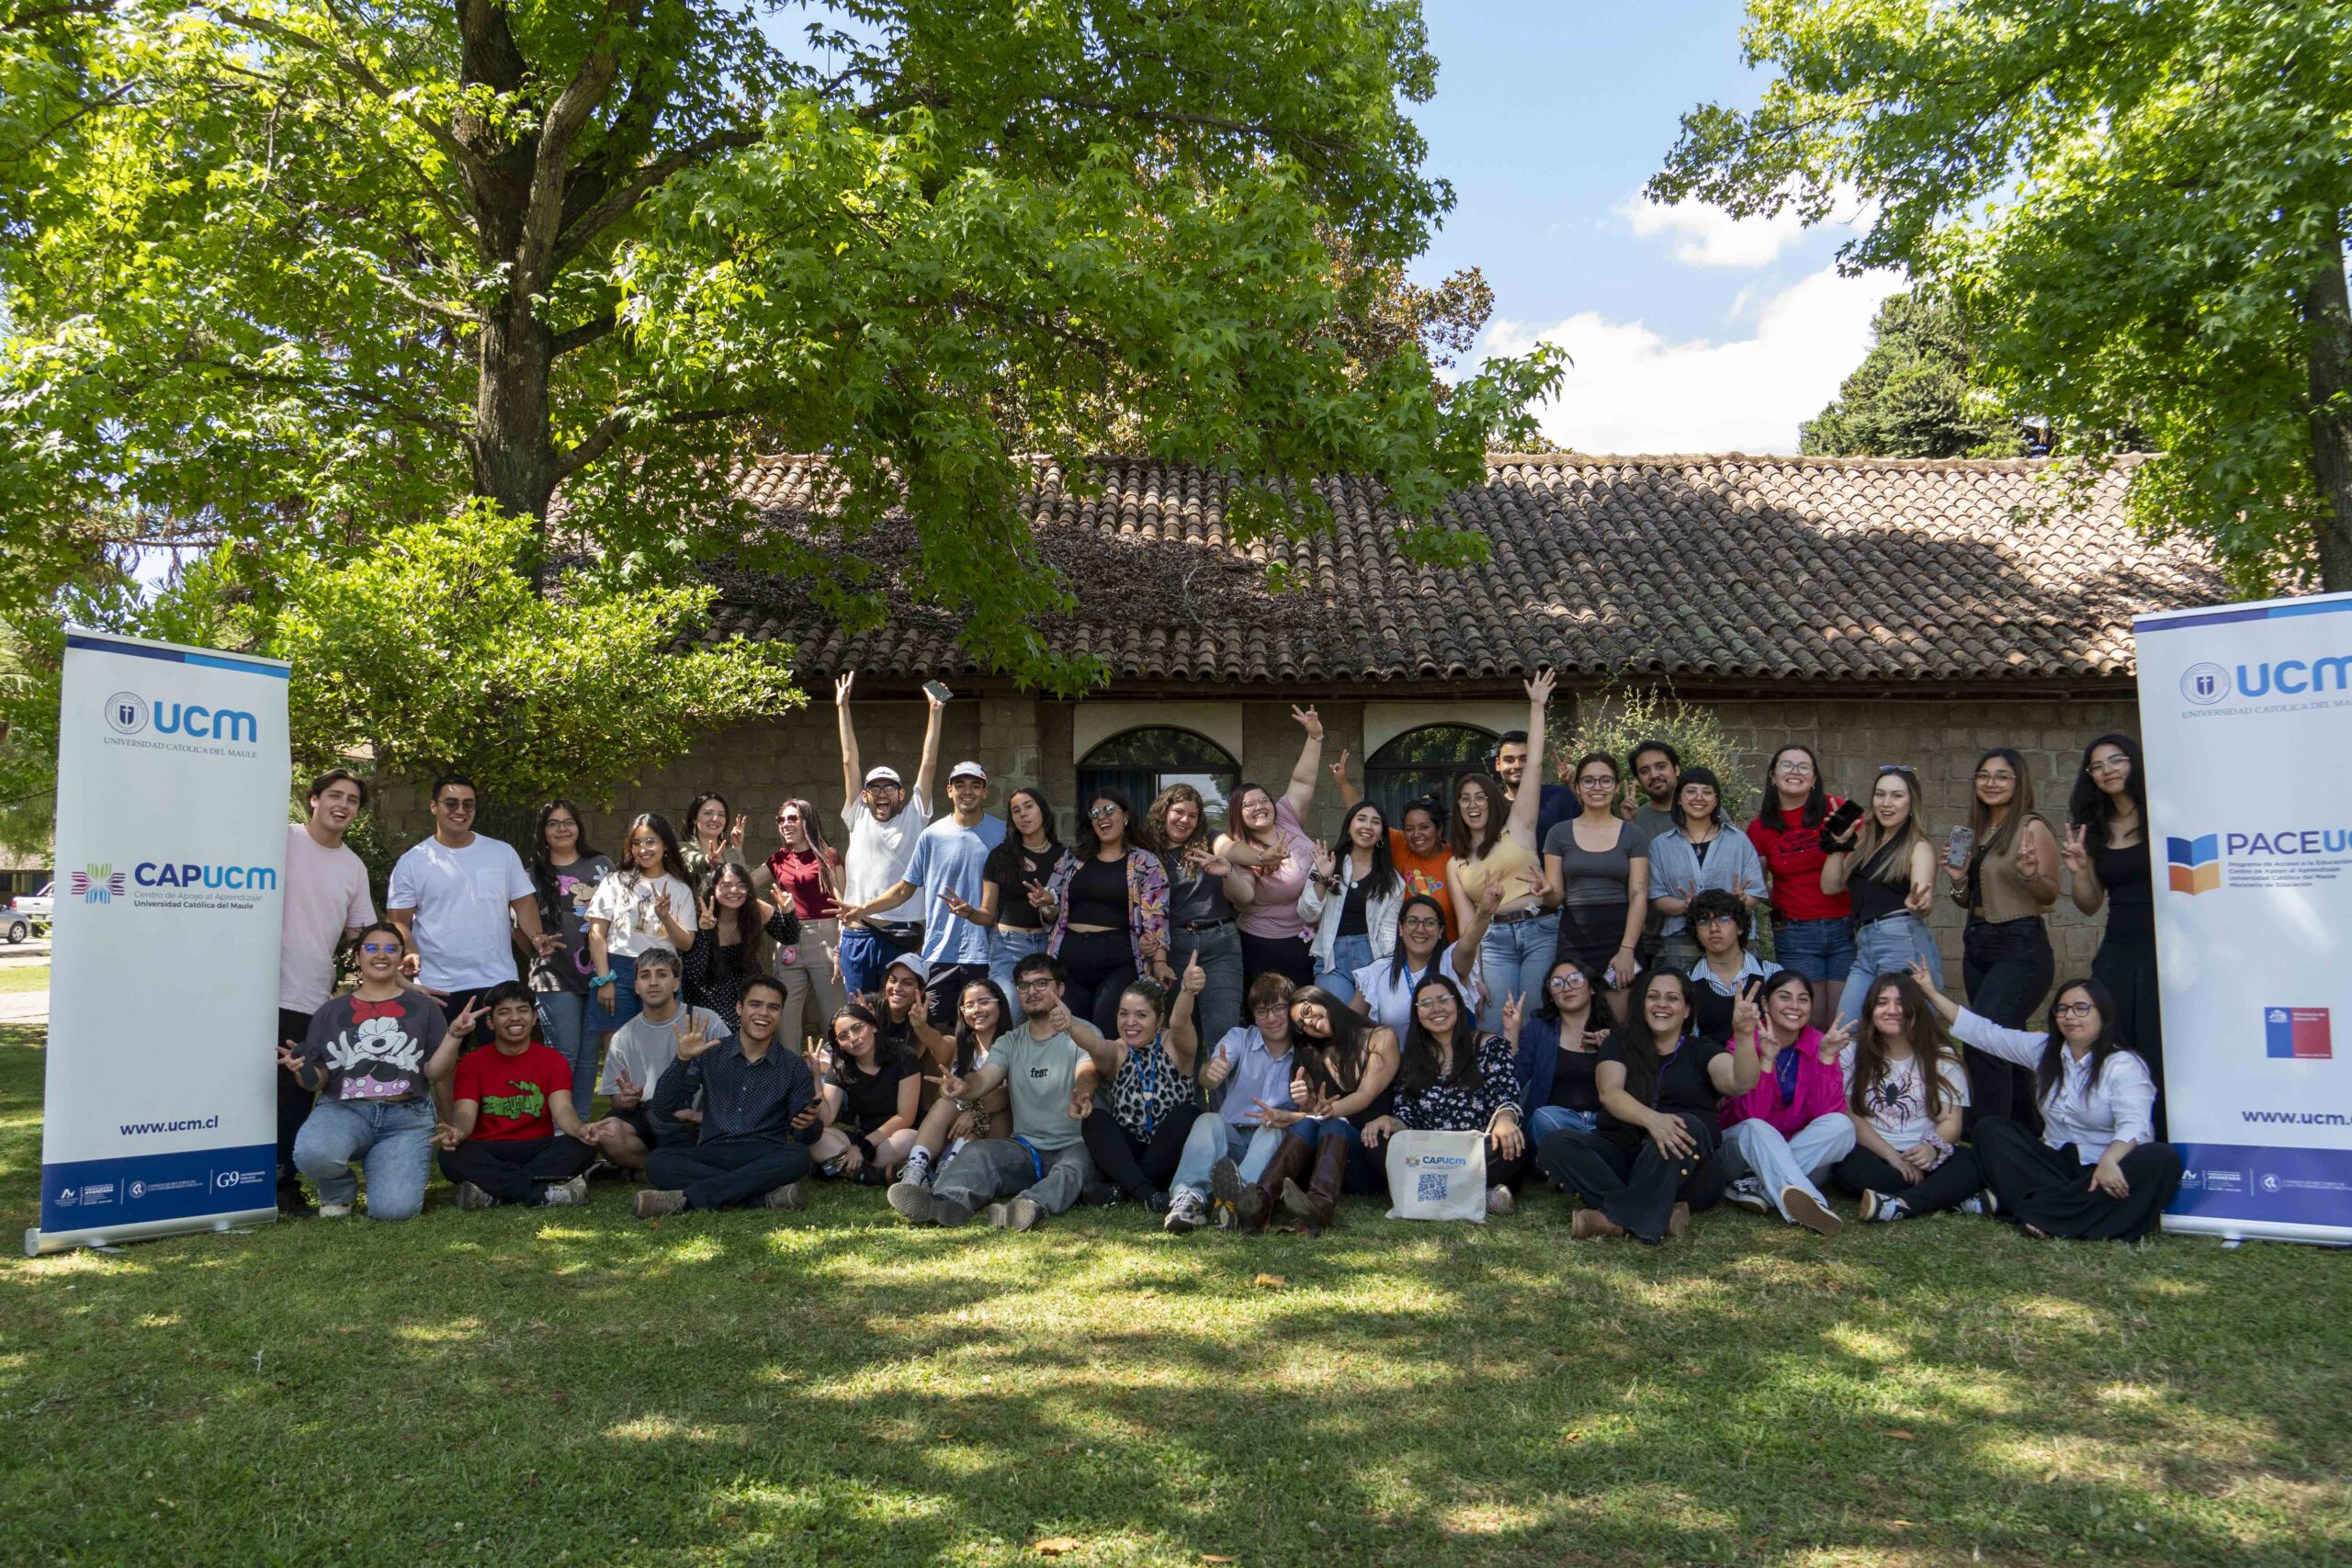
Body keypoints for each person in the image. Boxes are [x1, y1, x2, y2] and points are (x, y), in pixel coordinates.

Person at [1907, 961, 2180, 1240]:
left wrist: (2110, 1160)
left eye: (2081, 1008)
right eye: (2062, 1009)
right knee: (1990, 1129)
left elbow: (2134, 1124)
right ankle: (2070, 1212)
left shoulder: (2123, 1064)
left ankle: (2035, 1210)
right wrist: (1930, 993)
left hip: (2107, 1169)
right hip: (2055, 1167)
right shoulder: (2043, 1050)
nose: (2070, 1016)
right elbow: (1986, 1034)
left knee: (2161, 1158)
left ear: (2104, 1015)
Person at [1536, 968, 1762, 1243]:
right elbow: (1610, 1093)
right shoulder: (1619, 1044)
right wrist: (1653, 1120)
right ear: (1642, 1004)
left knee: (1685, 1125)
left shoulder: (1703, 1050)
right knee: (1555, 1143)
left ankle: (1614, 1219)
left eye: (1672, 998)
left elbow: (1741, 1082)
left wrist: (1744, 1035)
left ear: (1687, 1009)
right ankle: (1659, 1213)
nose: (1662, 1005)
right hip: (1625, 1154)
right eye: (1653, 996)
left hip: (1688, 1172)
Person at [890, 953, 1100, 1230]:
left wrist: (1081, 1093)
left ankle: (1027, 1207)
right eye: (1024, 986)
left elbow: (1088, 1070)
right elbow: (985, 1077)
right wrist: (964, 1087)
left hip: (1075, 1143)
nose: (1031, 992)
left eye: (1041, 984)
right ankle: (943, 1203)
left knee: (1072, 1170)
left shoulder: (1082, 1031)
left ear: (1060, 988)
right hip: (1026, 1149)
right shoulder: (1010, 1042)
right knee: (979, 1153)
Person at [280, 921, 461, 1221]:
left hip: (406, 1119)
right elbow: (317, 1081)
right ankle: (338, 1191)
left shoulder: (425, 1008)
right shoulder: (331, 1011)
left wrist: (454, 1038)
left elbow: (435, 1072)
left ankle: (384, 1162)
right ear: (358, 956)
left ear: (402, 957)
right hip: (343, 1111)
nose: (382, 955)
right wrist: (302, 1069)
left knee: (395, 1211)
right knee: (313, 1154)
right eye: (372, 947)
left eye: (392, 948)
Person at [385, 772, 554, 1055]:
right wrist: (410, 951)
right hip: (437, 985)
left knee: (503, 1060)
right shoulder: (413, 861)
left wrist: (536, 935)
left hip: (495, 980)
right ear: (433, 806)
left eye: (468, 804)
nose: (460, 811)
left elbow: (524, 903)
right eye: (451, 803)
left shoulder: (501, 852)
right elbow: (397, 921)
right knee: (441, 1066)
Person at [633, 975, 822, 1216]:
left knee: (798, 1156)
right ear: (739, 1008)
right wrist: (681, 1061)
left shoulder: (792, 1066)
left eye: (773, 1007)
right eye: (755, 1005)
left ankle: (689, 1199)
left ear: (780, 1014)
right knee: (657, 1162)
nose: (763, 1013)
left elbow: (804, 1134)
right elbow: (663, 1107)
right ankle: (762, 1197)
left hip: (763, 1152)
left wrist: (809, 1124)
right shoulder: (711, 1053)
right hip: (714, 1151)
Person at [275, 768, 377, 1215]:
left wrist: (399, 962)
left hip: (305, 992)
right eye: (334, 795)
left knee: (293, 1090)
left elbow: (361, 935)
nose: (343, 804)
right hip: (244, 989)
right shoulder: (279, 840)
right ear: (313, 799)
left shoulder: (353, 866)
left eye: (352, 800)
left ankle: (281, 1181)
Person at [1946, 747, 2062, 1126]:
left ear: (2019, 782)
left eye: (2001, 776)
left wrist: (2029, 873)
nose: (1991, 783)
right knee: (2006, 1044)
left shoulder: (2031, 827)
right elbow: (1966, 902)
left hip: (2020, 945)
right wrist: (1959, 880)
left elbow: (2049, 895)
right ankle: (2026, 1136)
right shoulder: (1978, 832)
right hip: (1977, 943)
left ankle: (1990, 1139)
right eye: (1983, 775)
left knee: (1983, 1042)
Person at [843, 759, 1006, 1027]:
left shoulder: (1001, 833)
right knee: (931, 1029)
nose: (968, 791)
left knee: (984, 1027)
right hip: (939, 952)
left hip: (986, 952)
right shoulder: (931, 836)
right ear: (949, 790)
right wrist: (862, 909)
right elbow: (905, 889)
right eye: (960, 785)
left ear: (985, 792)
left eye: (975, 785)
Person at [2064, 732, 2163, 1134]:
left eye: (2116, 761)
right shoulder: (2095, 830)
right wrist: (2082, 870)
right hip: (2119, 945)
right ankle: (2122, 1132)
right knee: (2118, 1041)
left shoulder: (2163, 811)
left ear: (2134, 762)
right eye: (2098, 766)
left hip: (2167, 944)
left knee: (2160, 1041)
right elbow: (2089, 904)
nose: (2107, 771)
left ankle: (2167, 1135)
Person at [1363, 974, 1528, 1214]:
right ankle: (1477, 1195)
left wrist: (1505, 1119)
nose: (1436, 1009)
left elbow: (1506, 1095)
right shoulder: (1412, 1060)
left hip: (1477, 1150)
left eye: (1443, 1000)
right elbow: (1407, 1116)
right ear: (1417, 1015)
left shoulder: (1489, 1045)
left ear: (1459, 1006)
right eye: (1426, 1004)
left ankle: (1424, 1193)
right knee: (1375, 1138)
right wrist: (1390, 1121)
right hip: (1430, 1155)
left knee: (1514, 1145)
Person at [1451, 671, 1561, 1030]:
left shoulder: (1519, 825)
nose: (1473, 804)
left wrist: (1537, 706)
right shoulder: (1456, 863)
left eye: (1481, 796)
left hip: (1539, 930)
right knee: (1494, 1027)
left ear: (1493, 799)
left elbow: (1535, 765)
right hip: (1493, 942)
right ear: (1457, 808)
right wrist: (1473, 974)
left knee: (1532, 1024)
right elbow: (1468, 927)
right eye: (1465, 799)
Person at [1831, 972, 1987, 1223]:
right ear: (1871, 1010)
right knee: (1847, 1169)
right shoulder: (1853, 1052)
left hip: (1924, 1153)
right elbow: (1848, 1113)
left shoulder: (1941, 1057)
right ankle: (1943, 1194)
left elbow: (1952, 1122)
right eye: (1882, 1002)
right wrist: (1892, 1155)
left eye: (1901, 1002)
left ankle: (1904, 1203)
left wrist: (1931, 1147)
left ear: (1916, 1008)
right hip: (1874, 1150)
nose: (1892, 1010)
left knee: (1972, 1163)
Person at [1250, 988, 1401, 1236]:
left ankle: (1318, 1208)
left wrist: (1325, 1110)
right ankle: (1260, 1203)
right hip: (1329, 1162)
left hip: (1368, 1154)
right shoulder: (1313, 1053)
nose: (1308, 1023)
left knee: (1334, 1124)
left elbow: (1364, 1096)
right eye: (1301, 1024)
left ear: (1324, 1000)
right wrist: (1304, 1106)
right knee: (1310, 1125)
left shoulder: (1380, 1038)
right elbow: (1313, 1116)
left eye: (1307, 1012)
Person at [435, 981, 597, 1209]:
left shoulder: (553, 1060)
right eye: (504, 1012)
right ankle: (543, 1193)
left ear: (534, 1017)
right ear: (490, 1022)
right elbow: (464, 1112)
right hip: (490, 1149)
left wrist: (580, 1129)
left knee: (583, 1147)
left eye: (522, 1010)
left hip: (538, 1147)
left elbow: (563, 1110)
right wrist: (459, 1131)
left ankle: (492, 1193)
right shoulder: (472, 1062)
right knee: (451, 1156)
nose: (515, 1018)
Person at [1714, 971, 1853, 1235]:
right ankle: (1813, 1204)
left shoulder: (1819, 1043)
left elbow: (1824, 1115)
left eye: (1803, 1000)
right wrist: (1766, 1061)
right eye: (1785, 997)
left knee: (1842, 1125)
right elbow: (1750, 1113)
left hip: (1799, 1153)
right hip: (1741, 1150)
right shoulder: (1745, 1041)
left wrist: (1825, 1059)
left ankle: (1756, 1186)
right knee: (1756, 1127)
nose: (1794, 1007)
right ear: (1766, 1004)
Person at [834, 671, 946, 996]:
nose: (881, 793)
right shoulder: (857, 815)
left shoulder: (914, 816)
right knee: (859, 1013)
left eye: (890, 787)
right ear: (865, 796)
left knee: (900, 1014)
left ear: (901, 794)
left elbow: (929, 763)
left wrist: (935, 712)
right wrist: (843, 707)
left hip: (901, 934)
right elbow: (848, 761)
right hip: (857, 934)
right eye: (874, 788)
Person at [1162, 973, 1301, 1234]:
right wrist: (1210, 1073)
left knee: (1272, 1129)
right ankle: (1189, 1200)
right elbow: (1209, 1076)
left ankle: (1237, 1202)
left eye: (1279, 1008)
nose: (1271, 1018)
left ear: (1291, 1008)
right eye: (1262, 1011)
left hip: (1273, 1143)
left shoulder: (1306, 1048)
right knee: (1208, 1119)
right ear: (1254, 1016)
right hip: (1233, 1138)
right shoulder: (1240, 1038)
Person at [578, 946, 725, 1179]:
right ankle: (660, 1168)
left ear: (676, 983)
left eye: (662, 974)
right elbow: (616, 1099)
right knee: (606, 1133)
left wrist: (704, 1115)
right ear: (636, 987)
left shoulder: (706, 1021)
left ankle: (648, 1171)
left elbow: (736, 1075)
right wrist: (625, 1099)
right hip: (648, 1120)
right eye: (645, 976)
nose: (653, 982)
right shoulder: (623, 1037)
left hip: (697, 1119)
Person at [1824, 766, 1943, 1031]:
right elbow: (1830, 887)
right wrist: (1838, 844)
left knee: (1906, 1029)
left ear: (1912, 803)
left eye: (1897, 796)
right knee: (1846, 1029)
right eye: (1880, 795)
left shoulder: (1917, 846)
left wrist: (1920, 902)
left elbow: (1924, 897)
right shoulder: (1866, 844)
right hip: (1864, 943)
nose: (1886, 803)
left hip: (1900, 941)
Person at [1043, 787, 1170, 1032]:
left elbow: (1156, 916)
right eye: (1095, 813)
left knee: (1105, 1034)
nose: (1102, 817)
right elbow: (1052, 905)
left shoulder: (1146, 862)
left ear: (1125, 816)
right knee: (1069, 1036)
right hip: (1070, 960)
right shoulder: (1072, 858)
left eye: (1110, 810)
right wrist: (1046, 903)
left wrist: (1160, 961)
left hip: (1118, 961)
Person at [1080, 963, 1206, 1210]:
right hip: (1129, 1153)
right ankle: (1149, 1195)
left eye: (1141, 1015)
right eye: (1123, 1013)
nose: (1130, 1022)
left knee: (1188, 1115)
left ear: (1158, 1019)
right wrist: (1069, 1025)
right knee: (1094, 1120)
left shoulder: (1176, 1044)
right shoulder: (1117, 1049)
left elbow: (1180, 1021)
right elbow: (1094, 1045)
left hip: (1169, 1153)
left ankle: (1125, 1189)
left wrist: (1187, 991)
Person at [1747, 745, 1854, 1029]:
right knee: (1811, 1019)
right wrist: (1788, 899)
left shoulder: (1836, 809)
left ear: (1814, 777)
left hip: (1846, 928)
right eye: (1786, 765)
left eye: (1803, 767)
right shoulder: (1759, 828)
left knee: (1845, 1019)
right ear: (1772, 776)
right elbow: (1758, 885)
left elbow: (1861, 863)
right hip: (1795, 934)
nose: (1795, 772)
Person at [523, 798, 611, 1143]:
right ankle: (560, 1131)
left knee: (590, 1056)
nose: (562, 829)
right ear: (542, 832)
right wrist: (535, 945)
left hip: (598, 975)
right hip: (552, 975)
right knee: (564, 1054)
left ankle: (583, 1130)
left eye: (568, 821)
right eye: (553, 823)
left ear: (579, 826)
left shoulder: (601, 866)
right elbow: (517, 924)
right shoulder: (532, 874)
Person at [1141, 782, 1251, 1056]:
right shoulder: (1147, 854)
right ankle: (1186, 1102)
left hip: (1221, 944)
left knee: (1222, 1039)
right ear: (1164, 812)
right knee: (1178, 1038)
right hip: (1174, 948)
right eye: (1179, 812)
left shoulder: (1211, 841)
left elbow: (1234, 850)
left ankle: (1222, 1101)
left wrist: (1258, 859)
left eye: (1192, 815)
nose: (1185, 820)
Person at [1220, 705, 1328, 987]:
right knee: (1271, 1014)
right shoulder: (1239, 846)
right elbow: (1242, 897)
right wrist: (1261, 858)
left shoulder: (1287, 816)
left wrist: (1315, 737)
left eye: (1263, 800)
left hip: (1309, 937)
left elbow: (1303, 780)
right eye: (1248, 804)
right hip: (1266, 944)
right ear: (1237, 813)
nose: (1259, 807)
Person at [1543, 750, 1649, 1025]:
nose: (1597, 787)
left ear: (1615, 786)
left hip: (1620, 935)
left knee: (1618, 1022)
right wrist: (1545, 891)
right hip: (1575, 937)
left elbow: (1638, 894)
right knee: (1576, 1021)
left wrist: (1627, 950)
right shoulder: (1558, 833)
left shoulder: (1633, 834)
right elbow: (1556, 898)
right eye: (1588, 781)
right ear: (1577, 787)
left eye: (1605, 780)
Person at [889, 976, 1018, 1200]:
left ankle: (948, 1175)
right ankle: (916, 1170)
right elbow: (937, 1041)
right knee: (943, 1103)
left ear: (1000, 1004)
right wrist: (920, 1026)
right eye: (969, 1005)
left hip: (995, 1127)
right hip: (955, 1129)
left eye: (984, 1002)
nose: (976, 1010)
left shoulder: (1015, 1043)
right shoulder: (959, 1046)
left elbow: (1008, 1094)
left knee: (981, 1117)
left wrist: (974, 1112)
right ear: (961, 1012)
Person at [949, 784, 1075, 996]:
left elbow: (1065, 913)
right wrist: (970, 912)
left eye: (1028, 807)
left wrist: (1049, 904)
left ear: (1042, 811)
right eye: (1016, 811)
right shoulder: (1000, 856)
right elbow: (988, 915)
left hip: (1050, 945)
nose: (1023, 814)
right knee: (1009, 1010)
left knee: (1049, 1017)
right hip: (1009, 946)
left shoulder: (1065, 858)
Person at [584, 812, 699, 1041]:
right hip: (617, 968)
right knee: (617, 1045)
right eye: (636, 843)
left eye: (651, 841)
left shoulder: (680, 888)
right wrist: (605, 979)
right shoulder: (615, 881)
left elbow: (686, 943)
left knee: (662, 1045)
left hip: (664, 970)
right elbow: (596, 934)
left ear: (665, 844)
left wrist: (665, 917)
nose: (643, 849)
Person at [1645, 766, 1767, 973]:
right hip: (1680, 942)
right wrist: (1688, 906)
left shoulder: (1738, 840)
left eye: (1707, 792)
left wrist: (1741, 901)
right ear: (1679, 799)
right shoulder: (1661, 845)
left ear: (1716, 800)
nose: (1699, 797)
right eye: (1691, 791)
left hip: (1734, 940)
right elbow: (1658, 898)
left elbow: (1756, 893)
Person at [1348, 887, 1498, 1037]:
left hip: (1448, 1059)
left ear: (1440, 931)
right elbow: (1345, 1023)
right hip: (1399, 1059)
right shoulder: (1377, 973)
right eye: (1412, 921)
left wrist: (1483, 914)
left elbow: (1469, 942)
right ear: (1400, 928)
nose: (1420, 929)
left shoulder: (1450, 962)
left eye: (1430, 923)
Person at [808, 1002, 923, 1184]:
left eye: (857, 1028)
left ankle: (833, 1168)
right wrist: (815, 1077)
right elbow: (827, 1118)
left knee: (909, 1139)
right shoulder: (841, 1066)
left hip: (893, 1137)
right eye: (844, 1035)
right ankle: (873, 1175)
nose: (853, 1038)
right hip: (862, 1137)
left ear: (873, 1026)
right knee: (814, 1135)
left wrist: (861, 1148)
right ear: (838, 1043)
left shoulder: (904, 1057)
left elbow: (905, 1117)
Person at [1301, 799, 1405, 1003]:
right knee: (1339, 1021)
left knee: (1365, 1024)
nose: (1367, 826)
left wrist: (1388, 969)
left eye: (1375, 822)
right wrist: (1322, 878)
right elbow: (1307, 914)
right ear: (1349, 827)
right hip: (1332, 960)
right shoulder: (1328, 863)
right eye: (1361, 819)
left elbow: (1388, 933)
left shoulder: (1393, 881)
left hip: (1372, 959)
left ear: (1382, 834)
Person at [764, 796, 845, 1049]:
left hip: (826, 935)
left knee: (835, 1016)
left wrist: (842, 946)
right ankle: (791, 1080)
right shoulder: (778, 859)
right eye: (781, 820)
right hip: (788, 938)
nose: (785, 824)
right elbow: (743, 883)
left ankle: (837, 1079)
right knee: (785, 1018)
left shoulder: (827, 855)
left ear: (807, 821)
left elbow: (844, 903)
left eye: (792, 818)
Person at [683, 860, 799, 1031]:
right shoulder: (701, 914)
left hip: (745, 986)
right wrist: (705, 932)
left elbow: (789, 937)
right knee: (726, 1027)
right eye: (726, 885)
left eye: (741, 885)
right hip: (706, 989)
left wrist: (788, 912)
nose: (734, 891)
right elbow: (694, 972)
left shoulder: (757, 909)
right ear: (713, 889)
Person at [1512, 960, 1609, 1143]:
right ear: (1550, 997)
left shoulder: (1612, 1033)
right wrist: (1511, 1033)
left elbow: (1635, 1088)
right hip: (1556, 1124)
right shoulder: (1539, 1030)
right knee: (1543, 1118)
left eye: (1575, 980)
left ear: (1592, 988)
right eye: (1557, 984)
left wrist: (1612, 1050)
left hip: (1603, 1123)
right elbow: (1512, 1081)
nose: (1566, 988)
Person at [1685, 888, 1781, 1043]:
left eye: (1723, 920)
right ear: (1695, 931)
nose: (1714, 928)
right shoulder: (1687, 983)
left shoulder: (1771, 974)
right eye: (1704, 922)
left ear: (1740, 927)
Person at [1624, 739, 1683, 966]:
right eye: (1645, 770)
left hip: (1703, 934)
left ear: (1676, 769)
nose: (1654, 774)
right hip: (1651, 940)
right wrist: (1627, 826)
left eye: (1661, 766)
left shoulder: (1705, 811)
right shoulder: (1634, 820)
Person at [1491, 728, 1575, 848]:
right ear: (1498, 764)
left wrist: (1572, 784)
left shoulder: (1559, 798)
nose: (1517, 766)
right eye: (1509, 760)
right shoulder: (1491, 809)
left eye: (1524, 759)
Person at [682, 791, 750, 893]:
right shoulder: (683, 848)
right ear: (694, 819)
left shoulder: (730, 852)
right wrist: (707, 860)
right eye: (708, 813)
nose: (715, 819)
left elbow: (744, 885)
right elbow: (690, 861)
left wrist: (737, 849)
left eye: (721, 815)